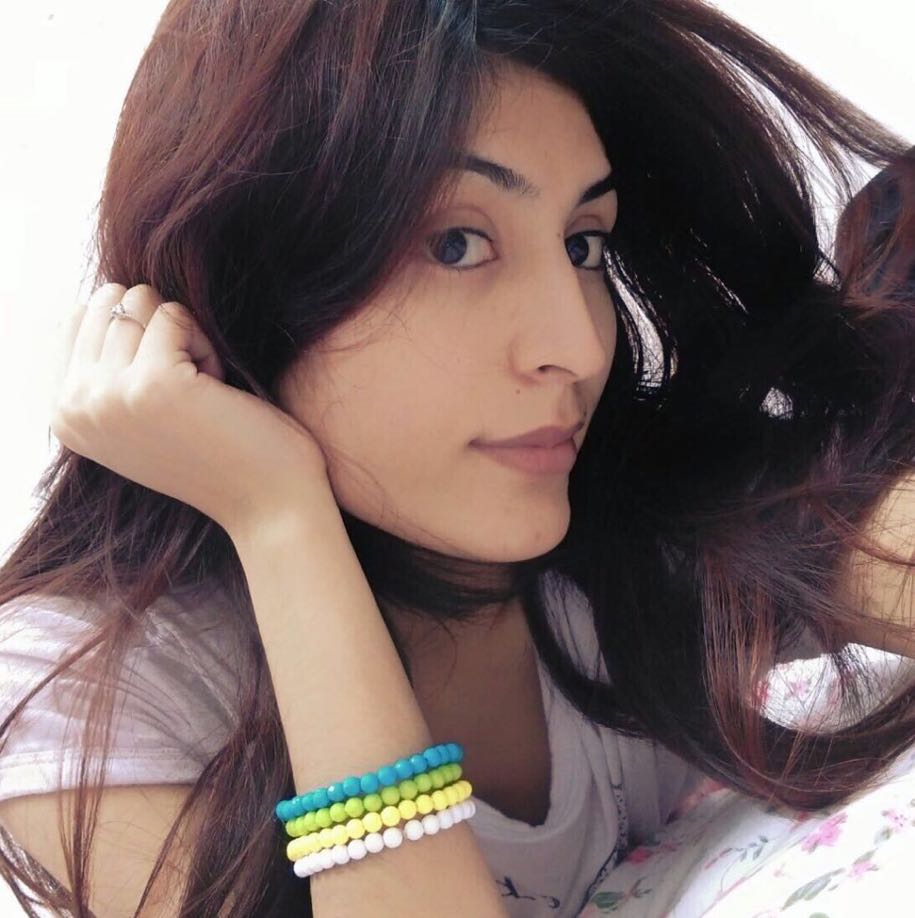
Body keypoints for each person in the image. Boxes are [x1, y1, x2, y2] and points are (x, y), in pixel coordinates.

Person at [0, 1, 912, 916]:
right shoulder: (85, 696)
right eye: (455, 244)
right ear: (245, 273)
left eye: (582, 244)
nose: (576, 348)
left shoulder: (643, 515)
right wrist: (279, 521)